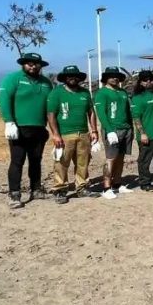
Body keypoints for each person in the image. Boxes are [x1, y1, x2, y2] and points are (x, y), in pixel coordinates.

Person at [0, 52, 54, 208]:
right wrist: (9, 122)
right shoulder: (13, 79)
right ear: (23, 64)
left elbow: (51, 106)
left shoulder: (46, 83)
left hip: (39, 128)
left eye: (36, 63)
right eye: (29, 63)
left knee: (36, 161)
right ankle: (14, 194)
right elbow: (4, 100)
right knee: (17, 161)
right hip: (19, 128)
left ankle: (36, 189)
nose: (33, 66)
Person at [47, 65, 99, 203]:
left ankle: (82, 187)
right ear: (64, 78)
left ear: (79, 78)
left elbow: (91, 112)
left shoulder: (85, 93)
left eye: (75, 76)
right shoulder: (56, 93)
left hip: (83, 134)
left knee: (83, 162)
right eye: (69, 76)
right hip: (64, 135)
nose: (72, 78)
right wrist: (55, 134)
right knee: (62, 163)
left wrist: (94, 130)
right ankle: (60, 190)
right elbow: (51, 114)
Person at [94, 66, 133, 200]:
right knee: (111, 159)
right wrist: (109, 130)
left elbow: (128, 111)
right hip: (112, 129)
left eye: (116, 76)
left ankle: (117, 183)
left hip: (126, 128)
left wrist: (131, 128)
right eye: (111, 76)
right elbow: (101, 113)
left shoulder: (122, 92)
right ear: (106, 78)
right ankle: (106, 187)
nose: (114, 78)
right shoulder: (102, 93)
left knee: (121, 158)